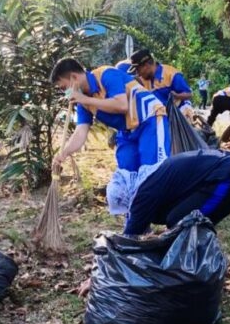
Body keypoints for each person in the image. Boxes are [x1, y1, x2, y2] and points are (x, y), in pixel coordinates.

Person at [77, 149, 230, 296]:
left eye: (124, 209)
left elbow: (126, 243)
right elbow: (137, 230)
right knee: (176, 220)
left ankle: (201, 277)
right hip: (225, 168)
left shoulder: (142, 196)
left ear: (125, 198)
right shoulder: (144, 182)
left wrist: (97, 277)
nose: (126, 213)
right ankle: (193, 274)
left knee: (186, 222)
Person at [50, 58, 170, 215]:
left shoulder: (106, 74)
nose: (64, 92)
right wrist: (63, 153)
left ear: (74, 77)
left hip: (151, 120)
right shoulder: (83, 101)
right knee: (125, 181)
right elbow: (81, 132)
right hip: (127, 132)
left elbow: (121, 105)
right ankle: (135, 229)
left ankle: (173, 220)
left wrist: (84, 99)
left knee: (152, 175)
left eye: (64, 87)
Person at [127, 49, 193, 115]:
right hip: (159, 116)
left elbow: (189, 94)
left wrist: (177, 96)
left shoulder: (171, 74)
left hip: (178, 114)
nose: (138, 74)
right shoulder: (140, 80)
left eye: (138, 70)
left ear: (147, 65)